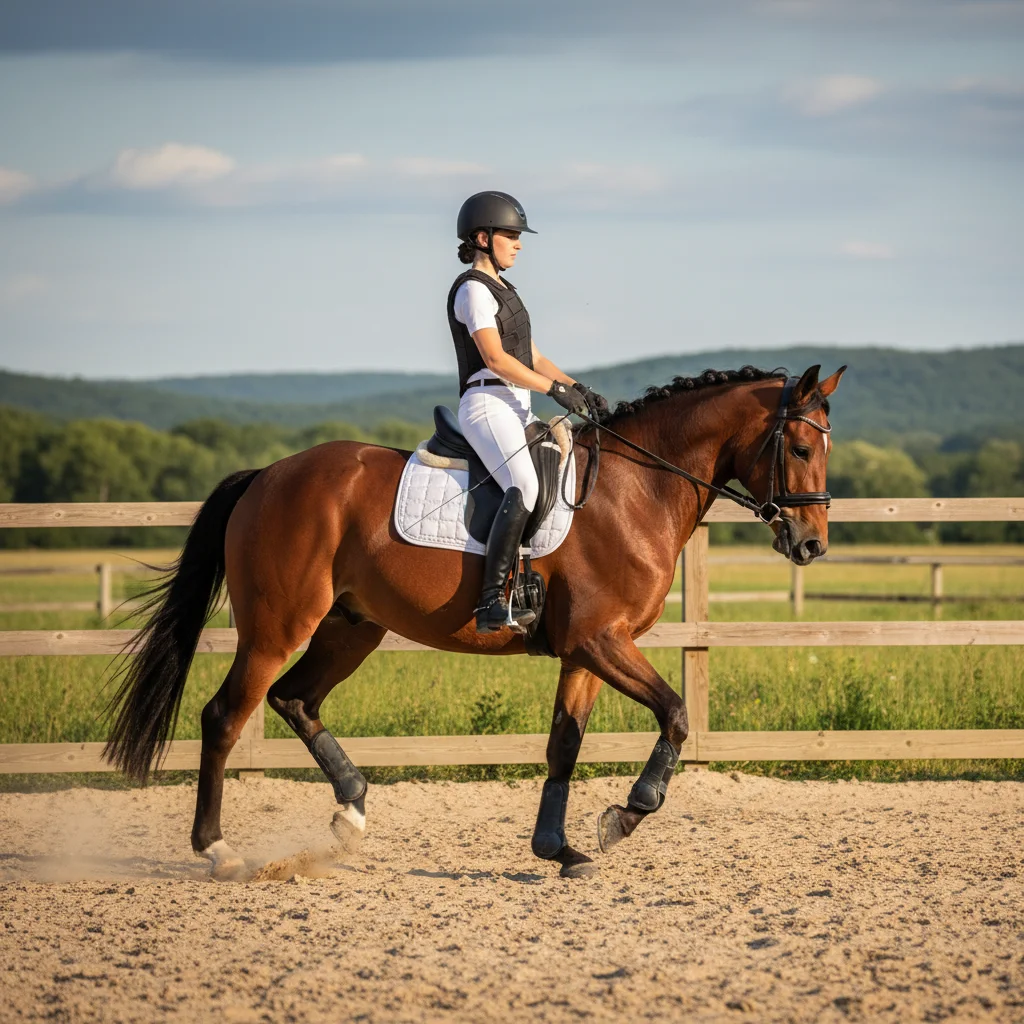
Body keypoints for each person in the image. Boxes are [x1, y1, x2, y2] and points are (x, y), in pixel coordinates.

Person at [448, 191, 608, 633]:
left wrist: (577, 387)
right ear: (483, 237)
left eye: (520, 236)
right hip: (487, 403)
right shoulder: (473, 291)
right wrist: (554, 390)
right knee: (523, 484)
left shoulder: (506, 292)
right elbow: (497, 360)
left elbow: (533, 357)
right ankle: (488, 602)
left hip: (516, 405)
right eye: (511, 235)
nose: (519, 244)